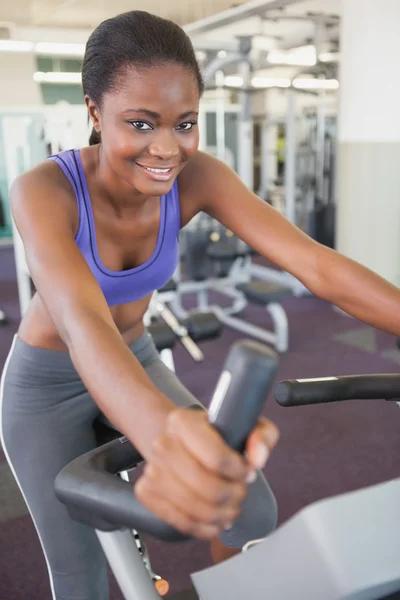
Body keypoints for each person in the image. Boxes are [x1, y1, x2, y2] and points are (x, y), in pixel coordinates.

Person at [0, 10, 399, 600]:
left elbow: (315, 266)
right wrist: (169, 444)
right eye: (140, 123)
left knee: (250, 514)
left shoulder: (199, 178)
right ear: (94, 113)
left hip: (134, 354)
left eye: (184, 123)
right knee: (79, 576)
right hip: (46, 385)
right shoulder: (44, 191)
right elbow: (83, 327)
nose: (166, 148)